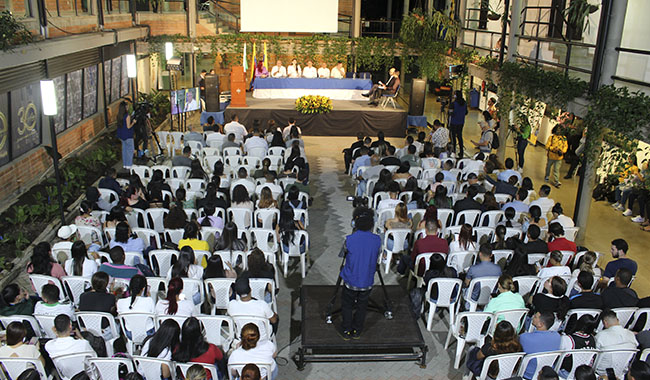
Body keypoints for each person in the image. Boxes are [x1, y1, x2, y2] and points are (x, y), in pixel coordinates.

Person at [338, 207, 382, 339]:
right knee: (362, 306)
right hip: (367, 281)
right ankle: (357, 330)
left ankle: (346, 330)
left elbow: (342, 254)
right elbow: (377, 255)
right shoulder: (377, 240)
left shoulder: (349, 239)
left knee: (347, 305)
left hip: (351, 280)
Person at [519, 312, 562, 379]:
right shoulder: (557, 336)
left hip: (527, 374)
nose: (533, 317)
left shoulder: (524, 337)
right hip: (547, 374)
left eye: (535, 317)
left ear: (540, 324)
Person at [594, 309, 638, 375]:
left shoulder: (600, 336)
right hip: (622, 371)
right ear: (618, 320)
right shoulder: (631, 335)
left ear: (605, 322)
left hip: (602, 372)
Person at [449, 90, 469, 157]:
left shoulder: (453, 103)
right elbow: (466, 112)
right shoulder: (464, 103)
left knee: (453, 137)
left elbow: (451, 113)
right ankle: (461, 151)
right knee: (460, 136)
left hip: (454, 122)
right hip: (461, 122)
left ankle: (453, 151)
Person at [117, 101, 136, 170]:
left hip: (121, 135)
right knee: (130, 150)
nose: (128, 107)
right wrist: (133, 122)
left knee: (124, 150)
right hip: (128, 135)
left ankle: (125, 164)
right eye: (127, 106)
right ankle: (129, 164)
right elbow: (128, 126)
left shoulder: (119, 115)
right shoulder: (127, 116)